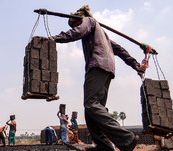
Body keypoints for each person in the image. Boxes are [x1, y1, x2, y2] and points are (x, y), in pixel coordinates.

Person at [51, 5, 146, 151]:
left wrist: (52, 39)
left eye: (75, 24)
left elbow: (77, 32)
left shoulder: (88, 21)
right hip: (107, 68)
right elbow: (120, 50)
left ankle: (127, 139)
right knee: (92, 110)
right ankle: (104, 146)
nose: (77, 26)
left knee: (91, 104)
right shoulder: (101, 33)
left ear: (79, 20)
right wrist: (135, 64)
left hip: (97, 66)